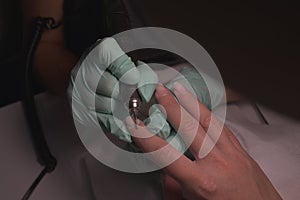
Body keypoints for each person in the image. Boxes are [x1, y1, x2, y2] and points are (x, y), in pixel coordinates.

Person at [22, 0, 282, 199]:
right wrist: (85, 82)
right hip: (85, 145)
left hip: (256, 114)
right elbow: (43, 45)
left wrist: (209, 86)